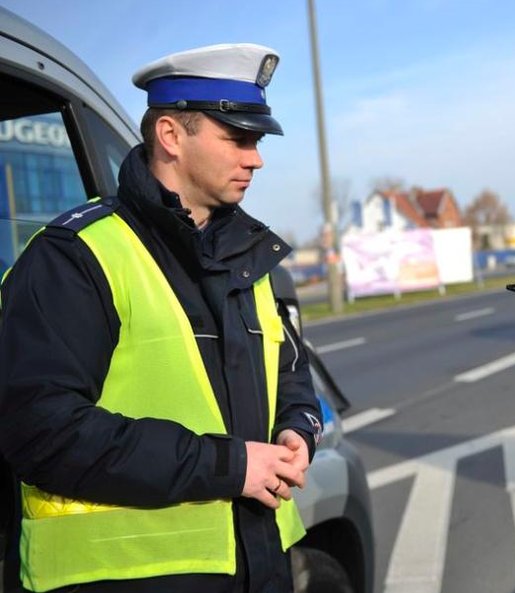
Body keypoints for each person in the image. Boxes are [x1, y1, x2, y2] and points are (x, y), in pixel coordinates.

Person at [0, 44, 323, 593]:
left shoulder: (249, 258)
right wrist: (231, 466)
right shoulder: (76, 255)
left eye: (258, 141)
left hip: (259, 568)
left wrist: (298, 430)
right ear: (171, 136)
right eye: (237, 138)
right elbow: (40, 430)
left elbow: (289, 375)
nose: (256, 158)